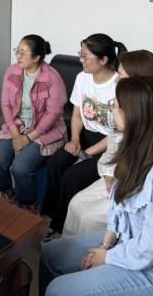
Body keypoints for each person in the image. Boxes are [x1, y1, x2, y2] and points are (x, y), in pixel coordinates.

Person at [40, 76, 153, 296]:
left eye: (115, 106)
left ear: (132, 115)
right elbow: (118, 207)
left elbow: (149, 248)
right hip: (126, 241)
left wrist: (107, 257)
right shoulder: (134, 148)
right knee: (50, 254)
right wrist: (105, 245)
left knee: (58, 289)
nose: (111, 110)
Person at [63, 50, 153, 236]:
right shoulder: (126, 109)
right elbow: (114, 143)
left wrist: (118, 180)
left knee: (88, 217)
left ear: (139, 81)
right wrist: (108, 174)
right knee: (77, 204)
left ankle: (93, 249)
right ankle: (71, 248)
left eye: (120, 75)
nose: (115, 79)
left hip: (137, 188)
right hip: (118, 177)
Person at [42, 33, 127, 236]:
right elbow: (77, 115)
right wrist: (74, 140)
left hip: (108, 146)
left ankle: (59, 228)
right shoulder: (82, 78)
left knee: (71, 176)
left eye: (85, 56)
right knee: (55, 164)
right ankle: (49, 214)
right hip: (83, 136)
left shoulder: (119, 86)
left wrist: (86, 154)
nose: (80, 60)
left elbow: (117, 135)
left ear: (103, 60)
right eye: (80, 54)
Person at [0, 35, 67, 211]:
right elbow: (5, 104)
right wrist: (16, 134)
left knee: (20, 167)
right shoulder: (12, 72)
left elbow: (53, 113)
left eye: (23, 53)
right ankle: (7, 192)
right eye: (17, 51)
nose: (18, 56)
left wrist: (28, 138)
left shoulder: (52, 77)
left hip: (44, 130)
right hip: (17, 126)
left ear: (36, 57)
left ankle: (27, 203)